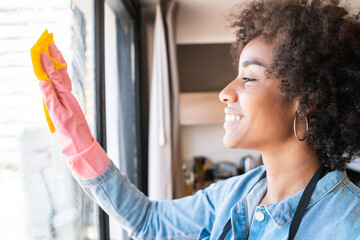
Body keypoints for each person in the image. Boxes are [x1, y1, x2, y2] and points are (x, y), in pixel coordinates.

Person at [38, 0, 360, 239]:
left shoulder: (348, 222)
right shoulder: (235, 194)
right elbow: (149, 221)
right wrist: (75, 133)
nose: (225, 92)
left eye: (248, 78)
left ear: (307, 99)